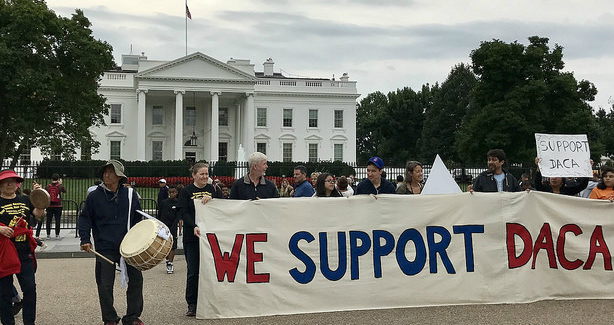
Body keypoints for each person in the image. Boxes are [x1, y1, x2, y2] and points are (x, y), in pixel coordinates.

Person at [78, 160, 145, 325]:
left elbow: (138, 218)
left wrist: (141, 239)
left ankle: (132, 317)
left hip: (129, 246)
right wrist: (85, 239)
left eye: (111, 172)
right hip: (104, 247)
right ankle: (110, 318)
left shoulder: (130, 195)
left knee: (136, 281)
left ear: (119, 176)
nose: (106, 175)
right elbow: (85, 218)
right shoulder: (94, 196)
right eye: (105, 172)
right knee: (104, 285)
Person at [176, 162, 222, 317]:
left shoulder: (213, 189)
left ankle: (210, 300)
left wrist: (213, 198)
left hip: (210, 237)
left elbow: (222, 207)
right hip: (192, 236)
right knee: (193, 271)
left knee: (210, 270)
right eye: (202, 174)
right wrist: (193, 226)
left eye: (207, 173)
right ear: (194, 175)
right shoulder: (186, 191)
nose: (205, 176)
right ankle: (192, 303)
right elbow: (183, 211)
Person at [0, 169, 45, 325]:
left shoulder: (25, 200)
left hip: (24, 251)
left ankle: (29, 322)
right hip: (3, 253)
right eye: (6, 181)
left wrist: (40, 198)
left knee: (30, 289)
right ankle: (7, 322)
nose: (10, 184)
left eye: (13, 181)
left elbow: (38, 214)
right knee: (4, 293)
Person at [158, 186, 180, 274]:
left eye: (173, 192)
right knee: (164, 244)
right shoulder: (163, 203)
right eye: (170, 192)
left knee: (173, 245)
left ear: (176, 193)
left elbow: (179, 216)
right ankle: (168, 260)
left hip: (173, 226)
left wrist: (176, 225)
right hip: (164, 226)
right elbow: (159, 214)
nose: (172, 194)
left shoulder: (178, 203)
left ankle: (170, 262)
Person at [43, 173, 66, 239]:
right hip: (58, 205)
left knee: (48, 220)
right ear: (58, 179)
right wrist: (61, 184)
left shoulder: (48, 186)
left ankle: (48, 234)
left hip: (49, 205)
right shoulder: (59, 186)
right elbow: (64, 190)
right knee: (57, 220)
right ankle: (57, 234)